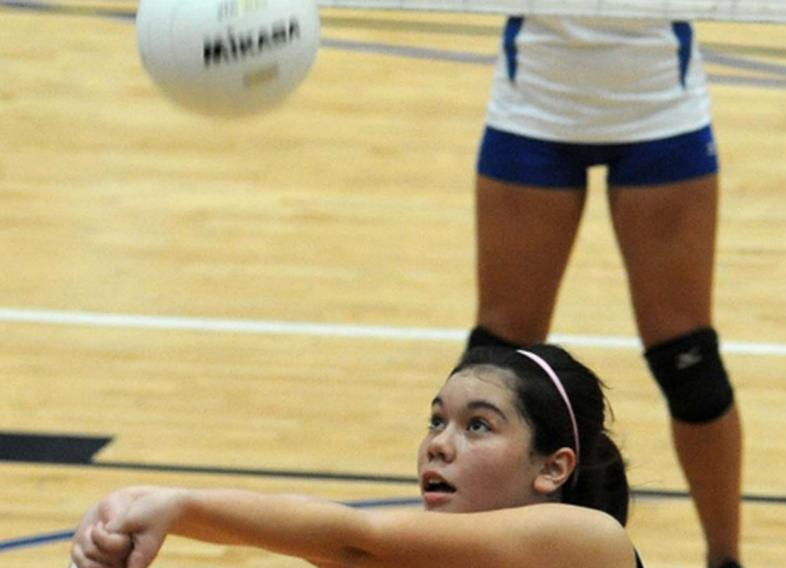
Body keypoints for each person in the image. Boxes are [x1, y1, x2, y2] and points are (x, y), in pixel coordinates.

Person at [466, 15, 743, 568]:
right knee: (495, 358)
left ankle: (724, 559)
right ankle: (455, 549)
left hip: (659, 109)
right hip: (536, 105)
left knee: (688, 361)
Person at [70, 344, 645, 568]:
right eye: (437, 420)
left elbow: (352, 535)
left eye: (478, 426)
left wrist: (177, 506)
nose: (440, 443)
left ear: (553, 467)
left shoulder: (588, 541)